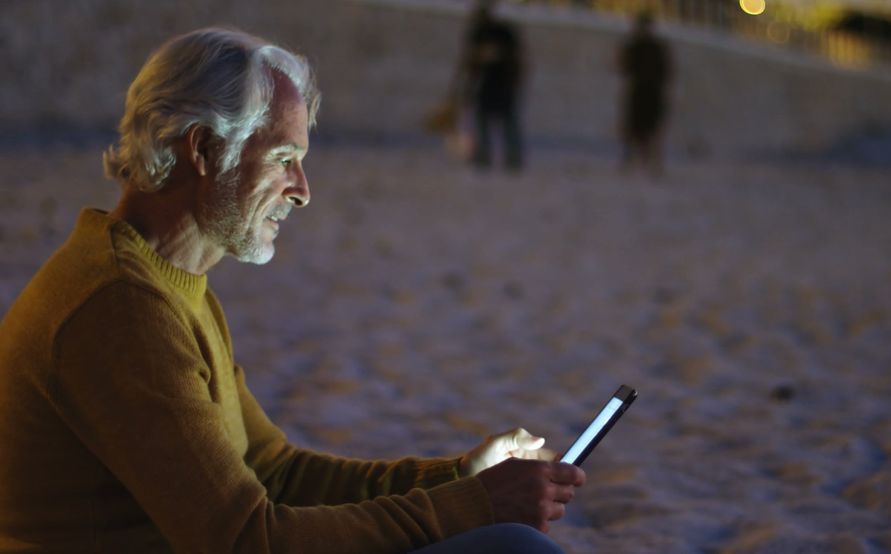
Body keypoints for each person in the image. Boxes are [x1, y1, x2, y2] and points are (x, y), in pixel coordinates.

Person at [0, 28, 584, 553]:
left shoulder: (168, 285)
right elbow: (245, 540)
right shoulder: (119, 308)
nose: (301, 190)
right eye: (283, 158)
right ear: (203, 150)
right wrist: (475, 508)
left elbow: (273, 472)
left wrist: (460, 477)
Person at [460, 0, 526, 172]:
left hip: (504, 84)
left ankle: (513, 158)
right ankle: (484, 156)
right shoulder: (479, 34)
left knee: (508, 122)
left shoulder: (503, 32)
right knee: (483, 121)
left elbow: (516, 59)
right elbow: (470, 63)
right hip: (486, 85)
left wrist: (514, 80)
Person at [617, 13, 672, 176]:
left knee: (650, 129)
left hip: (649, 92)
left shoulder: (653, 47)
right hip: (640, 91)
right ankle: (635, 160)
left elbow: (665, 71)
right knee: (636, 128)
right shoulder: (637, 46)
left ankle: (649, 161)